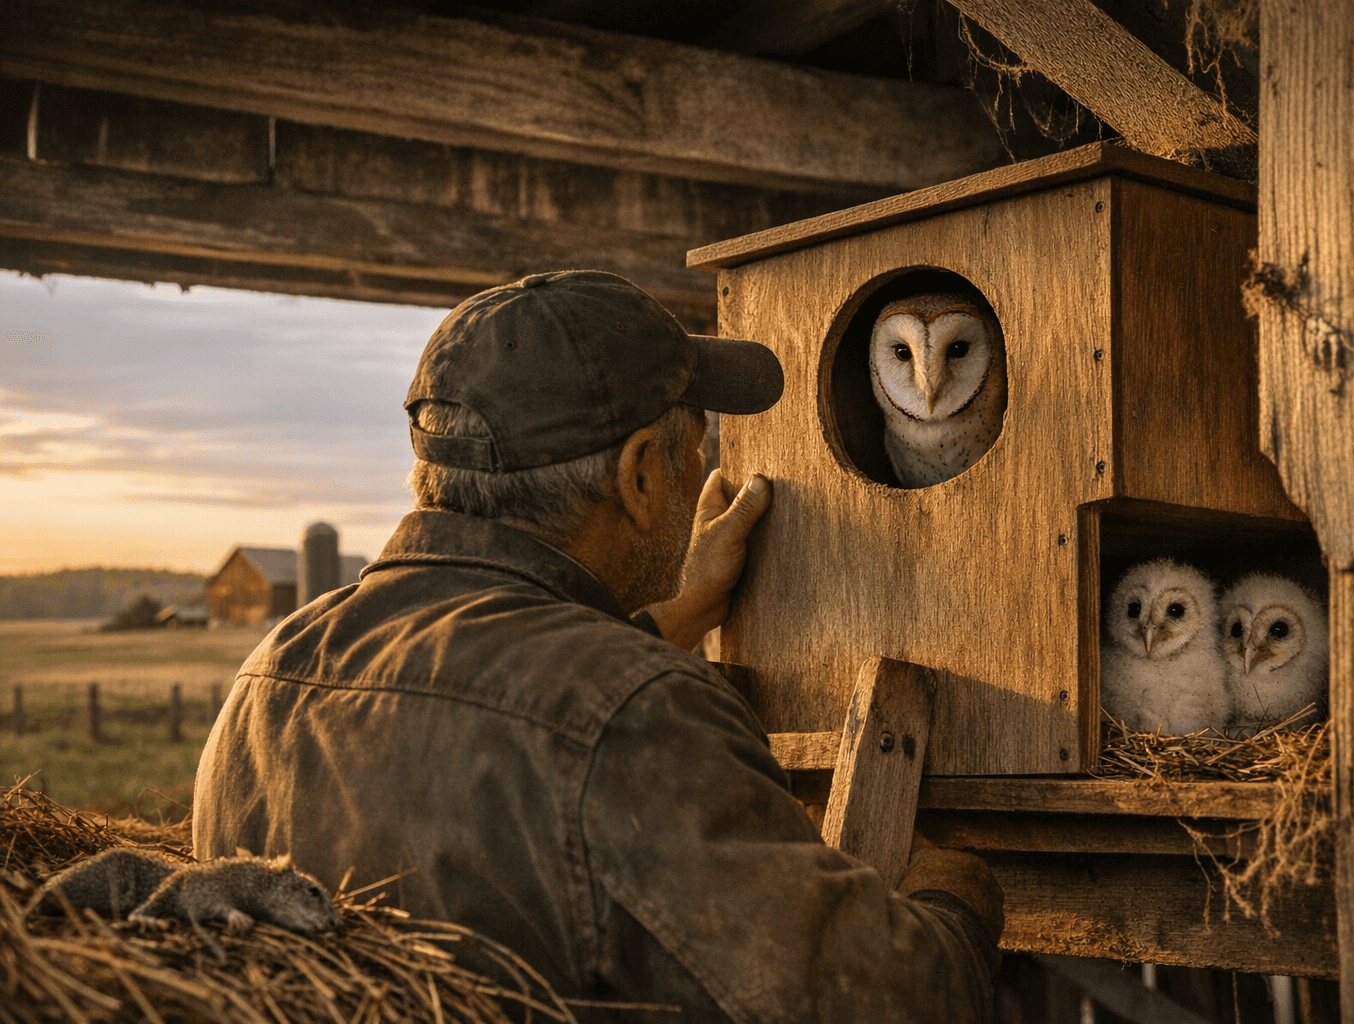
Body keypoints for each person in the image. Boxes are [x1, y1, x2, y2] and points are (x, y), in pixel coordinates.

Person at [192, 270, 1004, 1022]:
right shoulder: (640, 717)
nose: (701, 477)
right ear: (642, 474)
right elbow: (889, 1003)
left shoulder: (270, 675)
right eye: (696, 449)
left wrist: (678, 614)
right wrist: (953, 893)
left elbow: (514, 713)